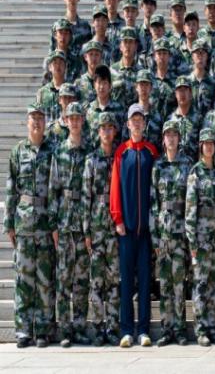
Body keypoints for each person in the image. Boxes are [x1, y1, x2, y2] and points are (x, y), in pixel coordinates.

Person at [6, 103, 57, 348]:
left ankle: (44, 330)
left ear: (45, 122)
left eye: (40, 118)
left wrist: (55, 223)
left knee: (44, 279)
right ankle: (24, 329)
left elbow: (56, 190)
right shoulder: (18, 152)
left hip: (45, 222)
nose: (36, 122)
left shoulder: (52, 150)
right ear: (27, 122)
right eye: (33, 118)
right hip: (24, 222)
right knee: (24, 279)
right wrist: (8, 223)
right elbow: (11, 188)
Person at [109, 103, 159, 348]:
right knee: (127, 280)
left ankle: (144, 330)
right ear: (128, 124)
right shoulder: (122, 152)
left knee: (145, 281)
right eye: (133, 120)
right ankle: (127, 330)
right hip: (126, 229)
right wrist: (117, 218)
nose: (137, 123)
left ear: (144, 123)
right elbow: (115, 188)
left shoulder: (151, 152)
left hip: (146, 231)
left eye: (140, 119)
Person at [48, 102, 91, 347]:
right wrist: (54, 224)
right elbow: (53, 190)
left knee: (81, 279)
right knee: (64, 278)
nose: (74, 122)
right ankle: (65, 329)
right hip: (64, 222)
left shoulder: (88, 151)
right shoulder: (59, 153)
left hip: (82, 222)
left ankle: (80, 327)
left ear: (82, 121)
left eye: (78, 118)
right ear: (65, 121)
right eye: (71, 118)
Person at [151, 120, 192, 346]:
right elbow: (152, 202)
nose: (171, 139)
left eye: (175, 135)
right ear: (163, 139)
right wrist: (154, 235)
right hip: (163, 233)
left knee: (179, 282)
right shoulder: (158, 166)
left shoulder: (187, 164)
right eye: (168, 135)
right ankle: (166, 329)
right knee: (165, 283)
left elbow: (191, 201)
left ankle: (180, 328)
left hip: (181, 231)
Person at [185, 128, 215, 347]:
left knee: (213, 283)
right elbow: (190, 209)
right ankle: (201, 329)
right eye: (205, 143)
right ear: (200, 147)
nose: (209, 147)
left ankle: (212, 326)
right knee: (200, 283)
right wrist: (192, 240)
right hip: (200, 237)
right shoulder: (195, 173)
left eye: (212, 143)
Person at [82, 112, 120, 346]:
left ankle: (112, 327)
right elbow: (86, 197)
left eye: (109, 128)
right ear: (98, 132)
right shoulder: (91, 160)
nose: (106, 132)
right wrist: (86, 231)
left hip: (114, 228)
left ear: (114, 132)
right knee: (96, 280)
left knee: (114, 279)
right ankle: (98, 328)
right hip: (96, 228)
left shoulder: (119, 158)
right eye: (102, 128)